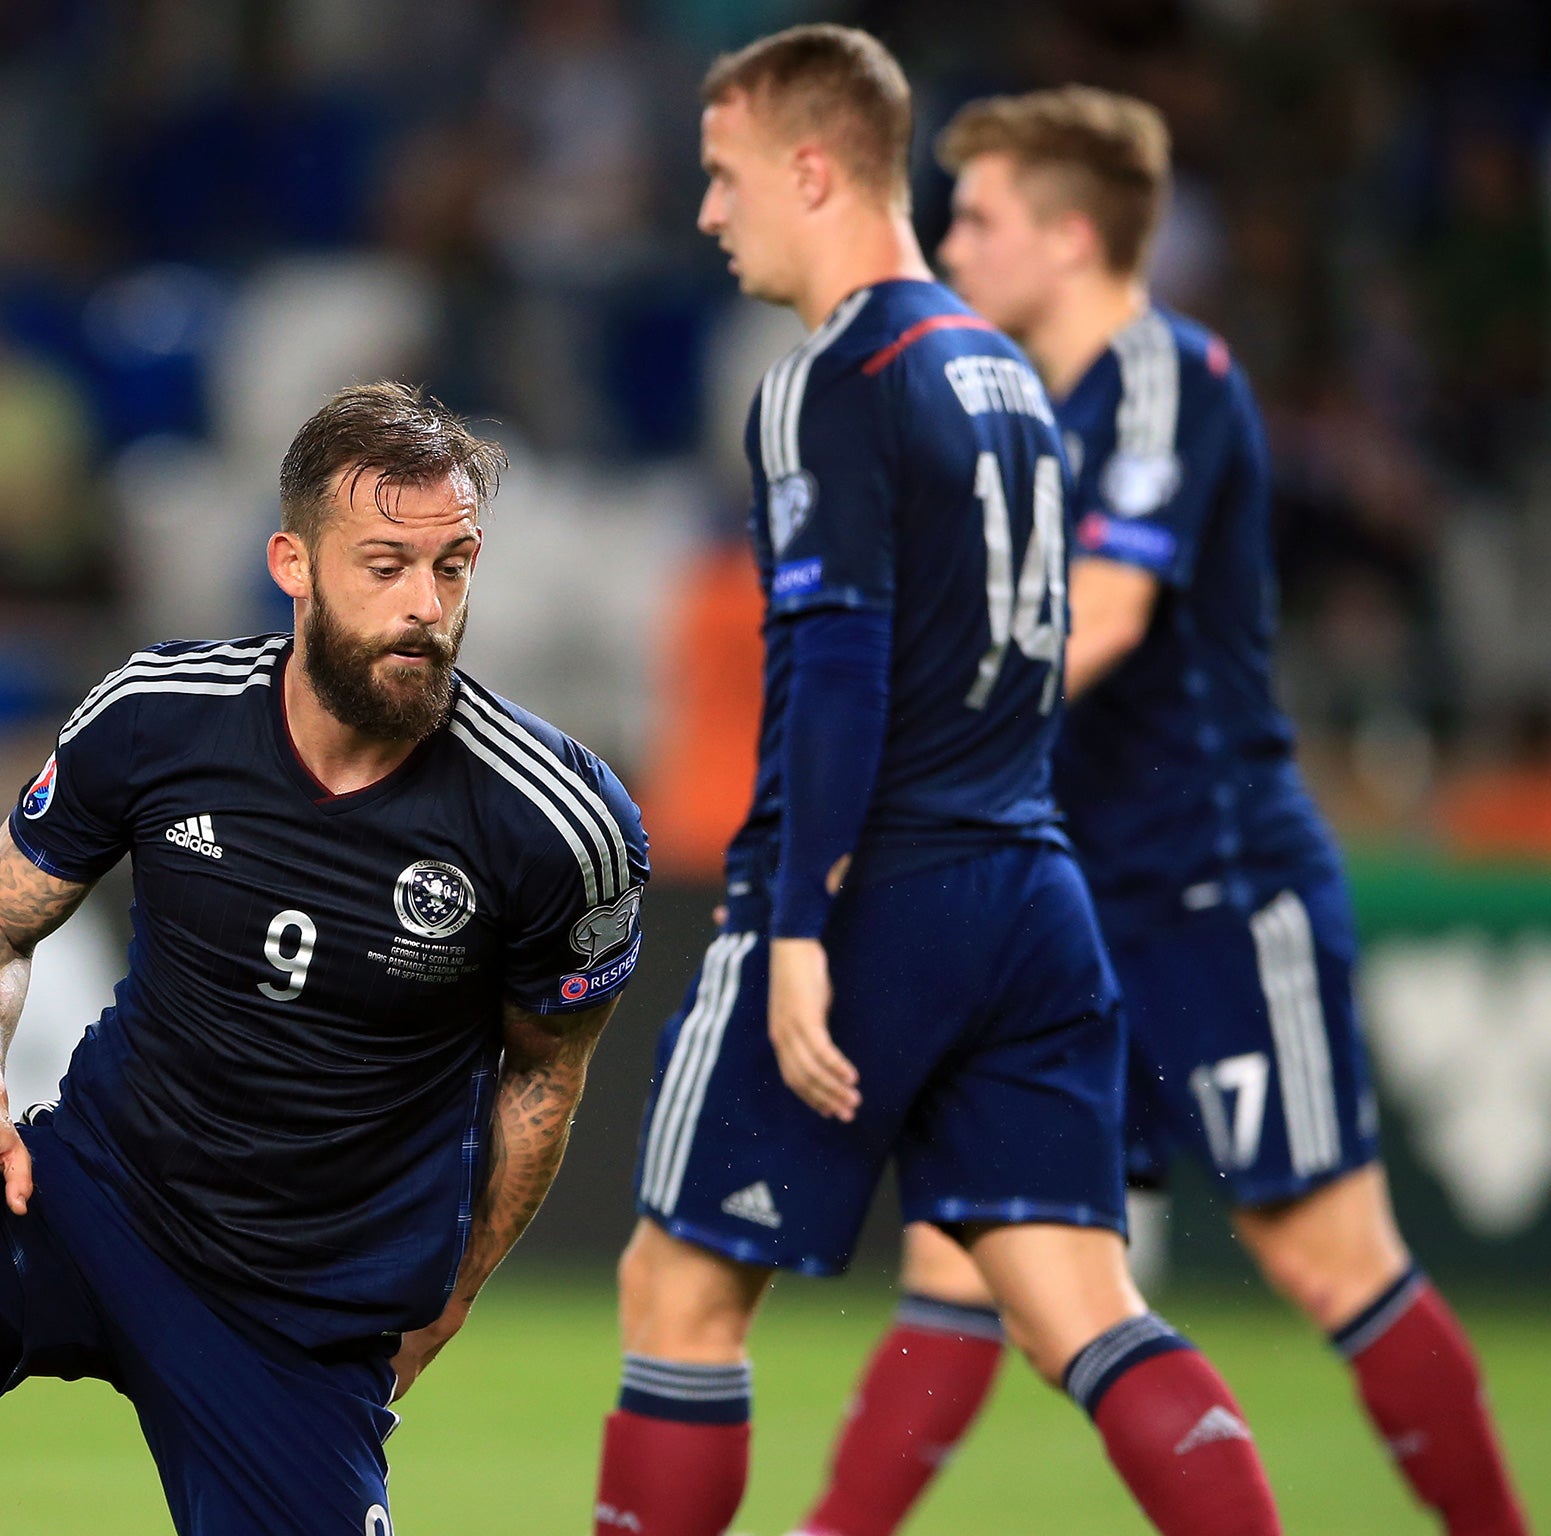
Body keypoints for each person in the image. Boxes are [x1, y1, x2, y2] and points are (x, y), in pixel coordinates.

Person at [795, 87, 1531, 1536]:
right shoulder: (1003, 401)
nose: (950, 241)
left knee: (1325, 1257)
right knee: (970, 1260)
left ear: (1072, 238)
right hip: (1059, 905)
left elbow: (1112, 613)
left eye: (982, 216)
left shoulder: (1161, 378)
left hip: (1215, 890)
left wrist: (903, 750)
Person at [594, 30, 1281, 1536]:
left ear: (813, 167)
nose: (708, 213)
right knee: (1087, 1317)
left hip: (867, 896)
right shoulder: (1014, 374)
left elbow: (838, 672)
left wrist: (793, 932)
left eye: (723, 175)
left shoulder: (834, 381)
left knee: (679, 1293)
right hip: (1033, 891)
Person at [0, 382, 650, 1536]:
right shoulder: (158, 715)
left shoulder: (555, 823)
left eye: (452, 567)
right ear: (292, 563)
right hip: (95, 1194)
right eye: (383, 565)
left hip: (302, 1305)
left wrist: (452, 1299)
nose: (424, 608)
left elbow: (545, 1072)